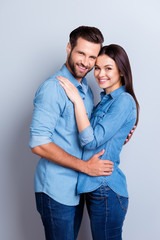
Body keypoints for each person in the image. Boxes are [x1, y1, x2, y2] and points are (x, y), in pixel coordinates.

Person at [29, 26, 114, 240]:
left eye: (92, 56)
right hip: (55, 190)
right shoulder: (53, 88)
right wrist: (86, 167)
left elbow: (88, 135)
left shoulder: (84, 89)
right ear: (69, 48)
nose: (86, 62)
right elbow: (38, 144)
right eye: (81, 53)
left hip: (76, 189)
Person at [57, 44, 139, 240]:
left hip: (105, 187)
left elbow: (90, 141)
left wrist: (77, 100)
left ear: (121, 70)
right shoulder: (104, 101)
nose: (100, 74)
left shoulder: (124, 101)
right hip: (93, 185)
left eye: (108, 68)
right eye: (98, 68)